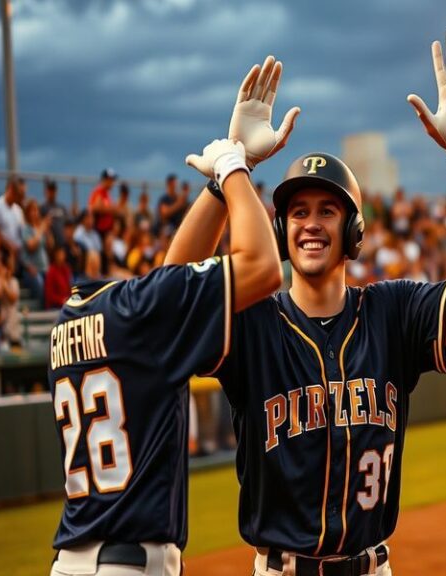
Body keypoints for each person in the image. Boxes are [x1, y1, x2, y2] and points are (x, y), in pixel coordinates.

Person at [167, 35, 446, 575]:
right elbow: (171, 305)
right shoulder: (254, 324)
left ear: (353, 230)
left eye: (327, 210)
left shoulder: (392, 313)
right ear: (282, 230)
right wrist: (225, 174)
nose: (310, 223)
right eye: (298, 211)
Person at [47, 137, 283, 576]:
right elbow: (263, 268)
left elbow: (170, 284)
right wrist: (233, 168)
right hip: (129, 563)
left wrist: (214, 189)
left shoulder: (69, 321)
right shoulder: (135, 310)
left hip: (73, 560)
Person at [0, 177, 25, 270]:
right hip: (2, 253)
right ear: (10, 189)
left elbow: (22, 231)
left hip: (16, 253)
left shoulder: (18, 210)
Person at [88, 168, 117, 238]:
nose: (112, 183)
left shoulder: (106, 193)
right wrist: (111, 209)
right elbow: (95, 208)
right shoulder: (99, 191)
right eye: (110, 180)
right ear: (105, 180)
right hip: (99, 230)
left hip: (106, 230)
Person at [41, 179, 70, 248]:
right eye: (50, 190)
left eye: (53, 190)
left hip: (63, 243)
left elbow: (68, 222)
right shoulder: (43, 208)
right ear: (46, 191)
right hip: (51, 244)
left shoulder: (62, 207)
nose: (52, 192)